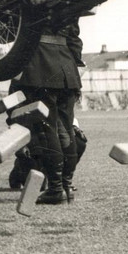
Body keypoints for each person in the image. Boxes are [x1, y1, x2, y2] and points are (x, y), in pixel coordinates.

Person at [11, 18, 84, 204]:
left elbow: (8, 32)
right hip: (67, 71)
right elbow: (75, 40)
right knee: (66, 131)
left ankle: (56, 189)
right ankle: (66, 186)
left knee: (47, 131)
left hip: (39, 69)